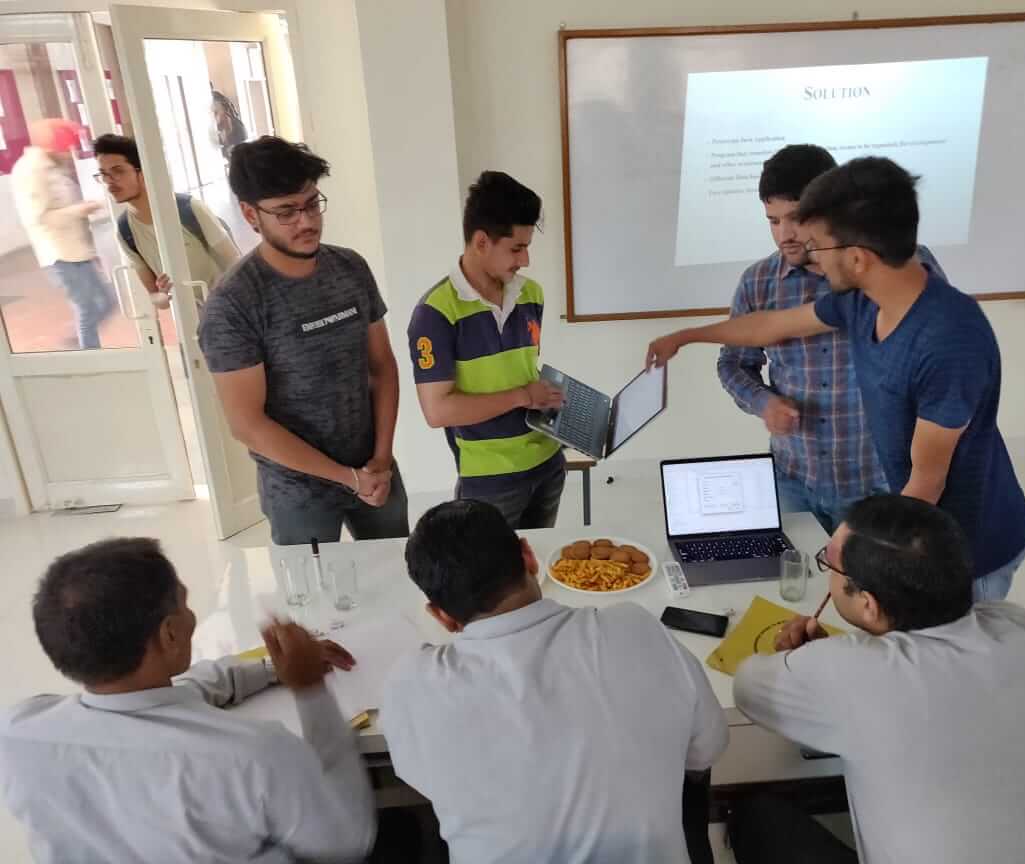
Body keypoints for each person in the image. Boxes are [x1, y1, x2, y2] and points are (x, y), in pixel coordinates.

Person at [648, 157, 1025, 600]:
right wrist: (686, 336)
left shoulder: (948, 339)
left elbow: (927, 482)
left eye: (818, 245)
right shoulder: (861, 301)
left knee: (941, 643)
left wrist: (852, 536)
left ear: (857, 258)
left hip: (964, 552)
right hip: (909, 525)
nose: (810, 256)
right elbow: (772, 325)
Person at [730, 494, 1025, 864]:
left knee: (757, 815)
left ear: (868, 604)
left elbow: (747, 688)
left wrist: (810, 662)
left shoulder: (851, 671)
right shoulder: (1024, 626)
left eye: (828, 564)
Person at [379, 500, 729, 863]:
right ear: (530, 557)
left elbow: (423, 778)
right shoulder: (636, 628)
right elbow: (708, 748)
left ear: (442, 617)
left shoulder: (411, 684)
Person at [0, 537, 376, 863]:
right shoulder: (255, 755)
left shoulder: (17, 732)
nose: (192, 615)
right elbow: (345, 842)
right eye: (184, 604)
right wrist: (310, 689)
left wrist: (270, 669)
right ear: (169, 634)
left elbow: (172, 693)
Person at [719, 145, 943, 534]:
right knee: (797, 572)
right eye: (773, 221)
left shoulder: (899, 266)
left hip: (878, 482)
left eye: (795, 219)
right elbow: (734, 363)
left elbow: (938, 363)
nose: (784, 235)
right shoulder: (758, 282)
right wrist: (763, 402)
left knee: (869, 575)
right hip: (793, 478)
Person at [199, 136, 408, 545]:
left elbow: (382, 367)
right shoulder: (234, 303)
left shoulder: (350, 268)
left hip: (374, 468)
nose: (306, 221)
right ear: (250, 214)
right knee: (311, 586)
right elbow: (248, 424)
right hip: (297, 491)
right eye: (286, 212)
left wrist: (381, 459)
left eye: (312, 204)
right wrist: (347, 478)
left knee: (394, 571)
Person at [407, 171, 566, 529]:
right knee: (488, 565)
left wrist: (549, 397)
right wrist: (523, 395)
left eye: (527, 247)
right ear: (481, 242)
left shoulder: (531, 294)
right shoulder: (435, 314)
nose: (525, 260)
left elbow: (519, 369)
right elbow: (438, 411)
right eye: (516, 248)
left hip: (549, 463)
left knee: (536, 558)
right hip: (490, 479)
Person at [94, 133, 240, 307]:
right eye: (104, 174)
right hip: (188, 317)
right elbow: (156, 298)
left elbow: (235, 262)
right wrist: (163, 296)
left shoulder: (189, 208)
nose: (109, 182)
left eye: (118, 171)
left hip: (227, 307)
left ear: (142, 172)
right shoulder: (125, 230)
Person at [11, 118, 112, 349]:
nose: (70, 154)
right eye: (67, 148)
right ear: (52, 146)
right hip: (59, 254)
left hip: (77, 250)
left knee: (106, 302)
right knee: (87, 308)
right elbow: (39, 217)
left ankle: (77, 342)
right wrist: (81, 210)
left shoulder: (53, 167)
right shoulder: (31, 171)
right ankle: (90, 354)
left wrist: (90, 249)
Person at [212, 90, 248, 161]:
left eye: (215, 113)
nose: (213, 117)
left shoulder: (238, 128)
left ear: (224, 109)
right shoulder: (214, 130)